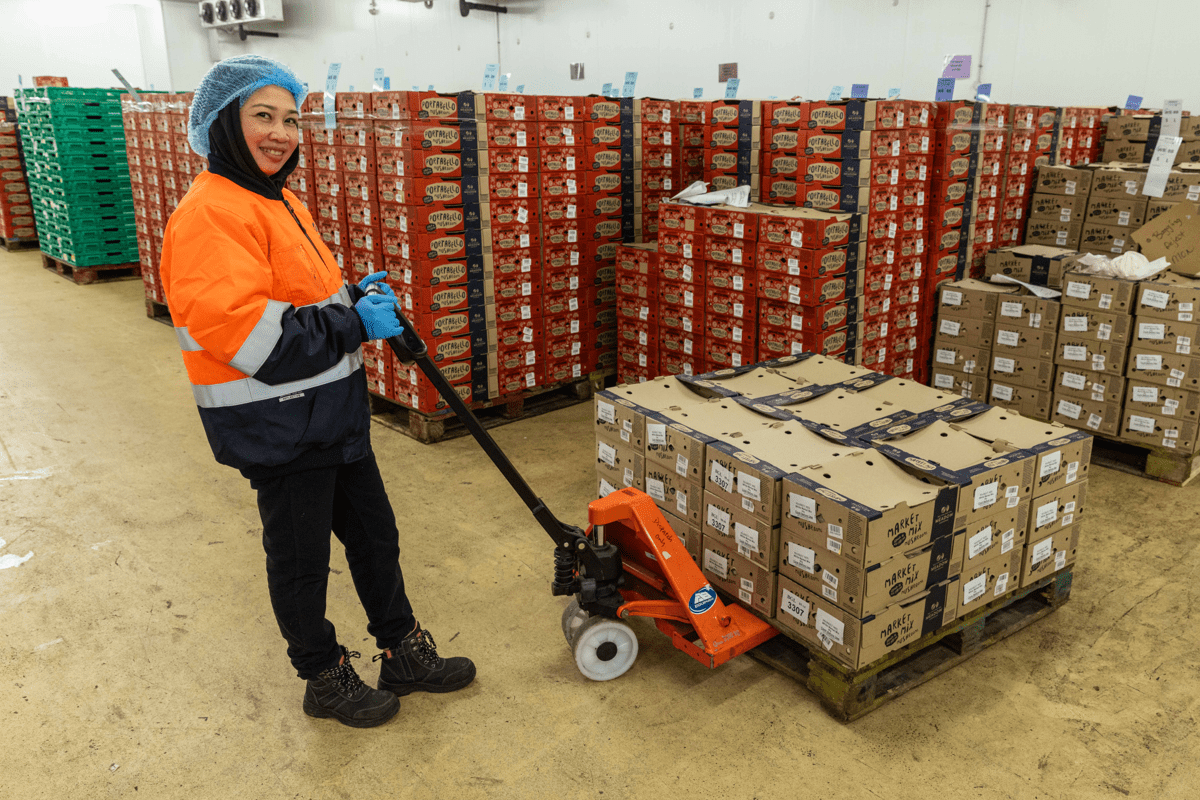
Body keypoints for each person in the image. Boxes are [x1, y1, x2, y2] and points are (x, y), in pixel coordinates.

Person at [159, 55, 475, 729]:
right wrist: (353, 321)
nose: (281, 133)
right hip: (276, 426)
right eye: (262, 116)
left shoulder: (277, 200)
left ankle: (402, 652)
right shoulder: (209, 215)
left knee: (376, 538)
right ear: (221, 124)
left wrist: (350, 297)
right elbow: (253, 338)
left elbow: (298, 299)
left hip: (330, 414)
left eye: (291, 118)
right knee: (303, 562)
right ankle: (322, 676)